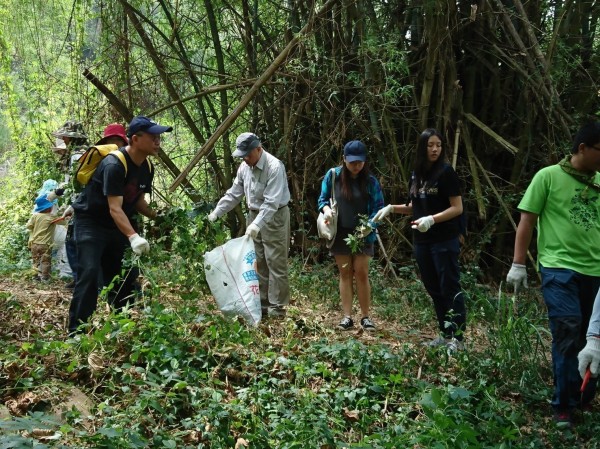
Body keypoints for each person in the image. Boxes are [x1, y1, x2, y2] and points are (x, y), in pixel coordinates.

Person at [504, 122, 600, 425]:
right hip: (559, 267)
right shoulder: (548, 177)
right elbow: (527, 220)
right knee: (568, 329)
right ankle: (564, 404)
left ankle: (583, 396)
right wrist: (518, 264)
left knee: (591, 336)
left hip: (595, 271)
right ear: (582, 148)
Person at [67, 116, 171, 334]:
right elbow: (115, 207)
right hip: (91, 223)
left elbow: (139, 201)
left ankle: (122, 328)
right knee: (89, 273)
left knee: (126, 276)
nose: (157, 141)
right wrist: (134, 236)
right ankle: (77, 333)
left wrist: (161, 218)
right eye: (153, 137)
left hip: (117, 226)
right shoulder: (114, 164)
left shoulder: (147, 166)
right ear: (135, 139)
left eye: (159, 137)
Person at [373, 129, 466, 350]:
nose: (435, 149)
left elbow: (457, 208)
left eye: (439, 145)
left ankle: (458, 338)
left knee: (449, 287)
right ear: (422, 147)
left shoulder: (446, 173)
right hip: (422, 241)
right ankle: (444, 333)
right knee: (433, 287)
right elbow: (417, 206)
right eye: (430, 145)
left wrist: (432, 220)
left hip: (443, 239)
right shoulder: (418, 173)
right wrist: (391, 209)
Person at [208, 132, 291, 318]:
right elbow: (234, 193)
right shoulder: (244, 168)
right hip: (254, 215)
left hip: (275, 216)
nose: (245, 159)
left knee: (275, 263)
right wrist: (216, 212)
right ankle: (261, 305)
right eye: (242, 155)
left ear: (258, 149)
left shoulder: (274, 167)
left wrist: (257, 225)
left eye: (248, 154)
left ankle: (277, 309)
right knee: (258, 262)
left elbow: (271, 203)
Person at [318, 140, 384, 332]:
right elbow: (322, 199)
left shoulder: (371, 181)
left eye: (360, 162)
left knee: (362, 273)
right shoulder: (333, 176)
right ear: (344, 159)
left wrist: (369, 226)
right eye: (352, 162)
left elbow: (379, 208)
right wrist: (327, 210)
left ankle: (366, 317)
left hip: (363, 233)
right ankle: (347, 317)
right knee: (345, 273)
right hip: (340, 232)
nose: (356, 166)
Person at [52, 121, 89, 288]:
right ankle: (80, 278)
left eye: (64, 136)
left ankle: (80, 279)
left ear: (71, 137)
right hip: (85, 201)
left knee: (73, 242)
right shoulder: (87, 151)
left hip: (80, 203)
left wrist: (71, 204)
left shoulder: (76, 156)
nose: (63, 139)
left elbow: (75, 183)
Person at [27, 195, 58, 282]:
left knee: (35, 261)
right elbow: (63, 222)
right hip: (46, 244)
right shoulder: (51, 217)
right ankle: (45, 278)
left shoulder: (35, 216)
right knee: (45, 262)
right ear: (49, 208)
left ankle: (34, 277)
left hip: (35, 243)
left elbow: (29, 226)